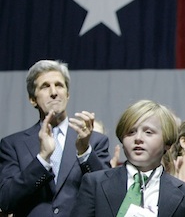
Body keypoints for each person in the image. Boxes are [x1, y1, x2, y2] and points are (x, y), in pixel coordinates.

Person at [0, 60, 111, 216]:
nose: (54, 92)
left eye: (59, 85)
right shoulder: (13, 145)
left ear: (67, 94)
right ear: (32, 99)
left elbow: (108, 194)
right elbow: (5, 201)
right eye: (45, 86)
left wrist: (85, 151)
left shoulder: (94, 141)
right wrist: (42, 159)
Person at [69, 100, 185, 216]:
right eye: (131, 132)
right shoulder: (95, 184)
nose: (138, 138)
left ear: (167, 142)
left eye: (148, 132)